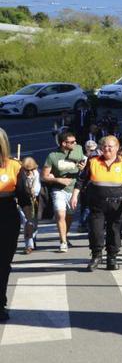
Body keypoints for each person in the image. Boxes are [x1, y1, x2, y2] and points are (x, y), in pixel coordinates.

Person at [71, 135, 122, 271]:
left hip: (117, 205)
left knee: (114, 231)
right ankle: (96, 256)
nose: (106, 149)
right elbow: (81, 180)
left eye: (110, 146)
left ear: (117, 148)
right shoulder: (93, 161)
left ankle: (112, 258)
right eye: (104, 146)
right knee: (96, 231)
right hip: (97, 204)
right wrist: (75, 196)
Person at [0, 127, 32, 322]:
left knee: (2, 265)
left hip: (7, 219)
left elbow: (24, 198)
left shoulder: (14, 166)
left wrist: (30, 221)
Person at [42, 131, 86, 252]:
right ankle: (63, 241)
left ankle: (65, 236)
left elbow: (84, 170)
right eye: (72, 142)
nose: (75, 143)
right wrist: (58, 179)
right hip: (58, 190)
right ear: (63, 143)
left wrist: (83, 168)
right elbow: (44, 176)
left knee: (69, 216)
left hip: (74, 189)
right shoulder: (53, 156)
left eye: (75, 141)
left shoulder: (78, 151)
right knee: (60, 215)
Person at [19, 157, 41, 254]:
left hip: (35, 200)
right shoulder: (20, 174)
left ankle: (33, 241)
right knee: (27, 222)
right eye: (26, 170)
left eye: (31, 169)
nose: (28, 172)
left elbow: (37, 189)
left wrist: (33, 190)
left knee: (34, 223)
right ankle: (28, 245)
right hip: (23, 200)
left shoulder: (37, 174)